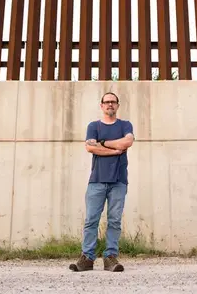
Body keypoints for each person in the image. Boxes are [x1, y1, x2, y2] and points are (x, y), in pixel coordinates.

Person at [69, 92, 134, 272]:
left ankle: (110, 258)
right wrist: (114, 150)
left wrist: (102, 144)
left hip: (119, 181)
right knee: (91, 220)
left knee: (114, 221)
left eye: (113, 102)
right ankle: (87, 259)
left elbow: (128, 142)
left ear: (117, 105)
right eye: (107, 102)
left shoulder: (125, 125)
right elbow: (90, 146)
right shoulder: (94, 126)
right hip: (96, 181)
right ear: (101, 105)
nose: (110, 104)